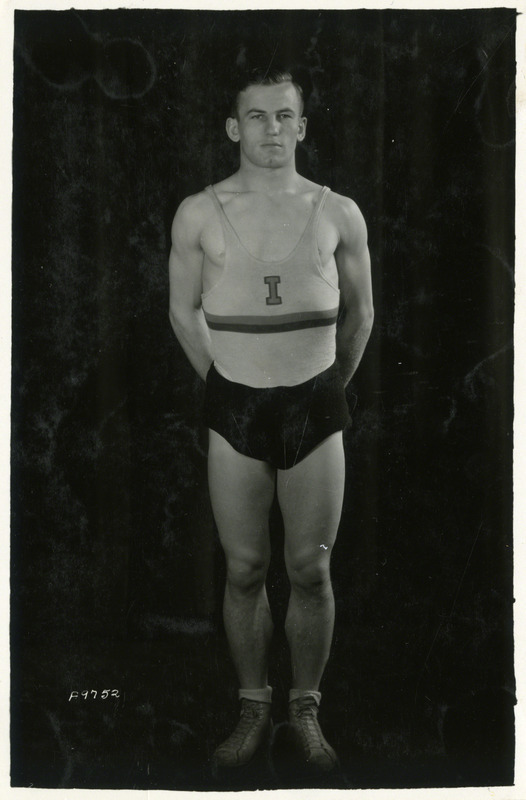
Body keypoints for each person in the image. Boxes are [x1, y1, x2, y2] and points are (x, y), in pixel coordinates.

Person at [168, 69, 373, 773]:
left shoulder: (338, 210)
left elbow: (362, 313)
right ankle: (254, 707)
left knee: (310, 572)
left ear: (303, 127)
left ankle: (305, 710)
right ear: (234, 128)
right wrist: (229, 391)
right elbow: (182, 311)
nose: (271, 130)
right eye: (256, 117)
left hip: (317, 406)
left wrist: (328, 391)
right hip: (237, 410)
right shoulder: (199, 212)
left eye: (284, 116)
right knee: (246, 568)